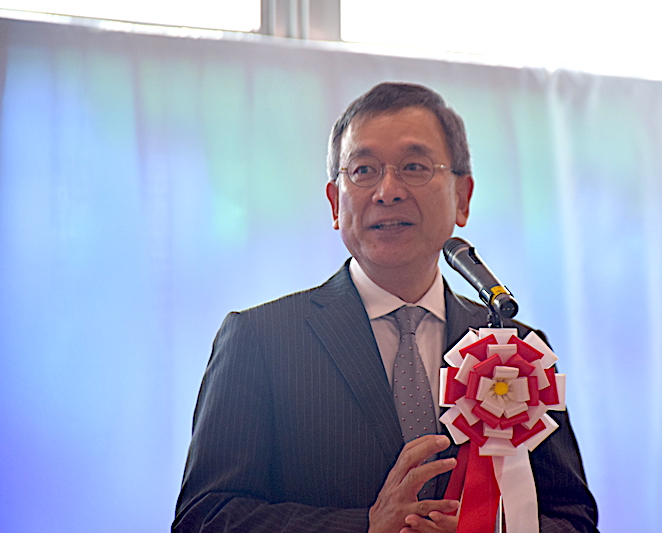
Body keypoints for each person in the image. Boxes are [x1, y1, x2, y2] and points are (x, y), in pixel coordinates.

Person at [173, 82, 599, 533]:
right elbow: (205, 517)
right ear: (335, 203)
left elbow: (572, 519)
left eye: (414, 167)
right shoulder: (260, 340)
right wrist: (366, 527)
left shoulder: (516, 350)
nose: (388, 191)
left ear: (463, 197)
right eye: (363, 170)